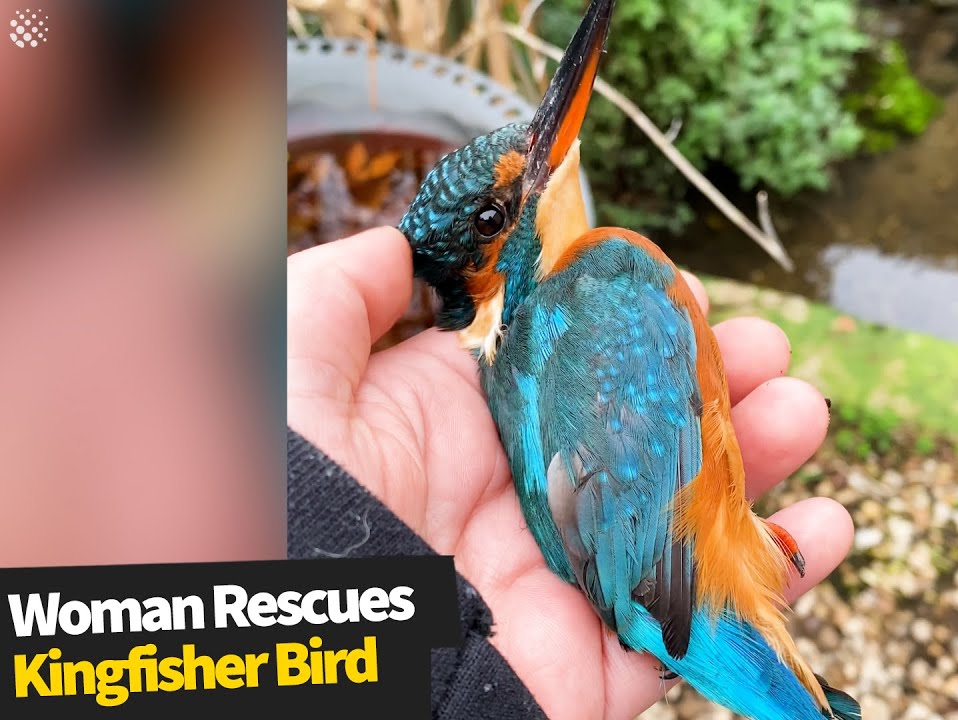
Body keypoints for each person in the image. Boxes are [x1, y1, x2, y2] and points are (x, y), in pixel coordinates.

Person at [285, 226, 856, 719]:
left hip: (653, 587)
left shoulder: (507, 368)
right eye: (497, 214)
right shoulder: (612, 283)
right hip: (671, 585)